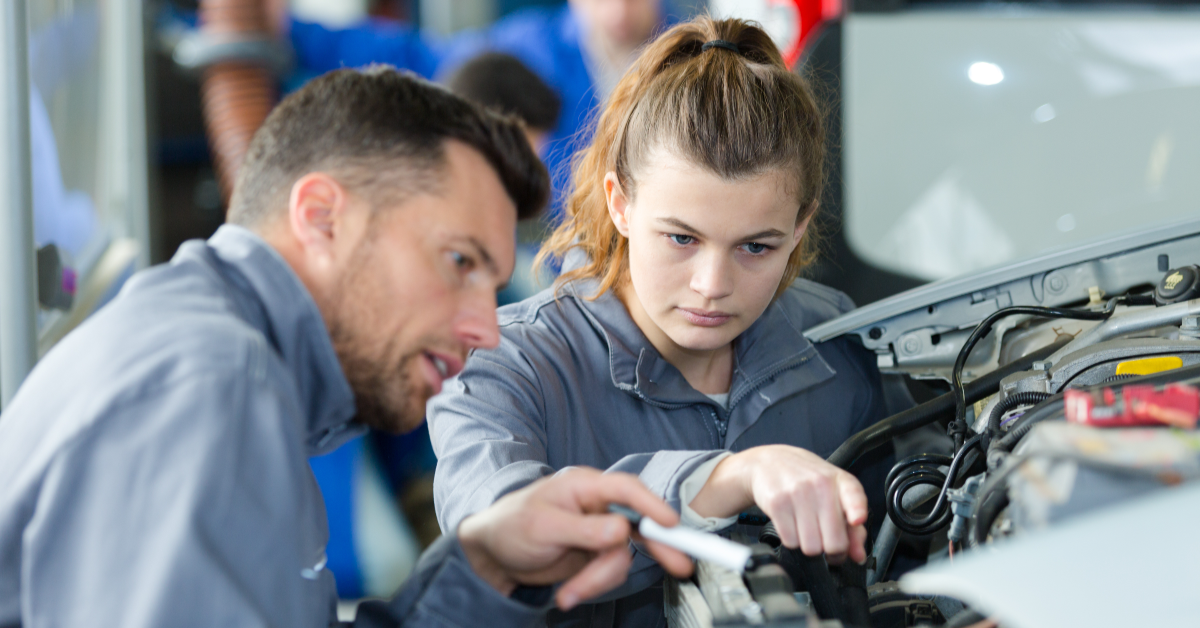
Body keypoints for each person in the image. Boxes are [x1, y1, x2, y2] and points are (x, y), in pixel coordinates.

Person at [0, 66, 693, 627]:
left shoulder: (224, 366)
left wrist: (486, 564)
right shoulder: (207, 389)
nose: (486, 327)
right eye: (457, 262)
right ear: (321, 218)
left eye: (492, 282)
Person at [428, 17, 890, 626]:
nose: (713, 286)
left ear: (800, 227)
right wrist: (725, 477)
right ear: (620, 203)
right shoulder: (504, 364)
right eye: (680, 237)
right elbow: (494, 538)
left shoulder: (841, 350)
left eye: (757, 247)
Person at [287, 0, 667, 216]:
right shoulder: (531, 46)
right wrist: (292, 31)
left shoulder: (692, 59)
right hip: (551, 265)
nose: (619, 9)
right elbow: (418, 58)